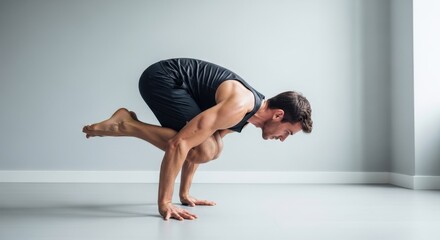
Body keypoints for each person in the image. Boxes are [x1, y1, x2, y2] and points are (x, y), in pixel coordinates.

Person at [82, 58, 313, 221]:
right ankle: (127, 125)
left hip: (175, 84)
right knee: (208, 148)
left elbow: (199, 144)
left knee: (210, 146)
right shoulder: (240, 106)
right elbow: (179, 144)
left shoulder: (247, 116)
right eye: (287, 133)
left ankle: (128, 125)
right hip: (162, 78)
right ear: (278, 115)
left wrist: (184, 195)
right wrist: (165, 204)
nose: (282, 139)